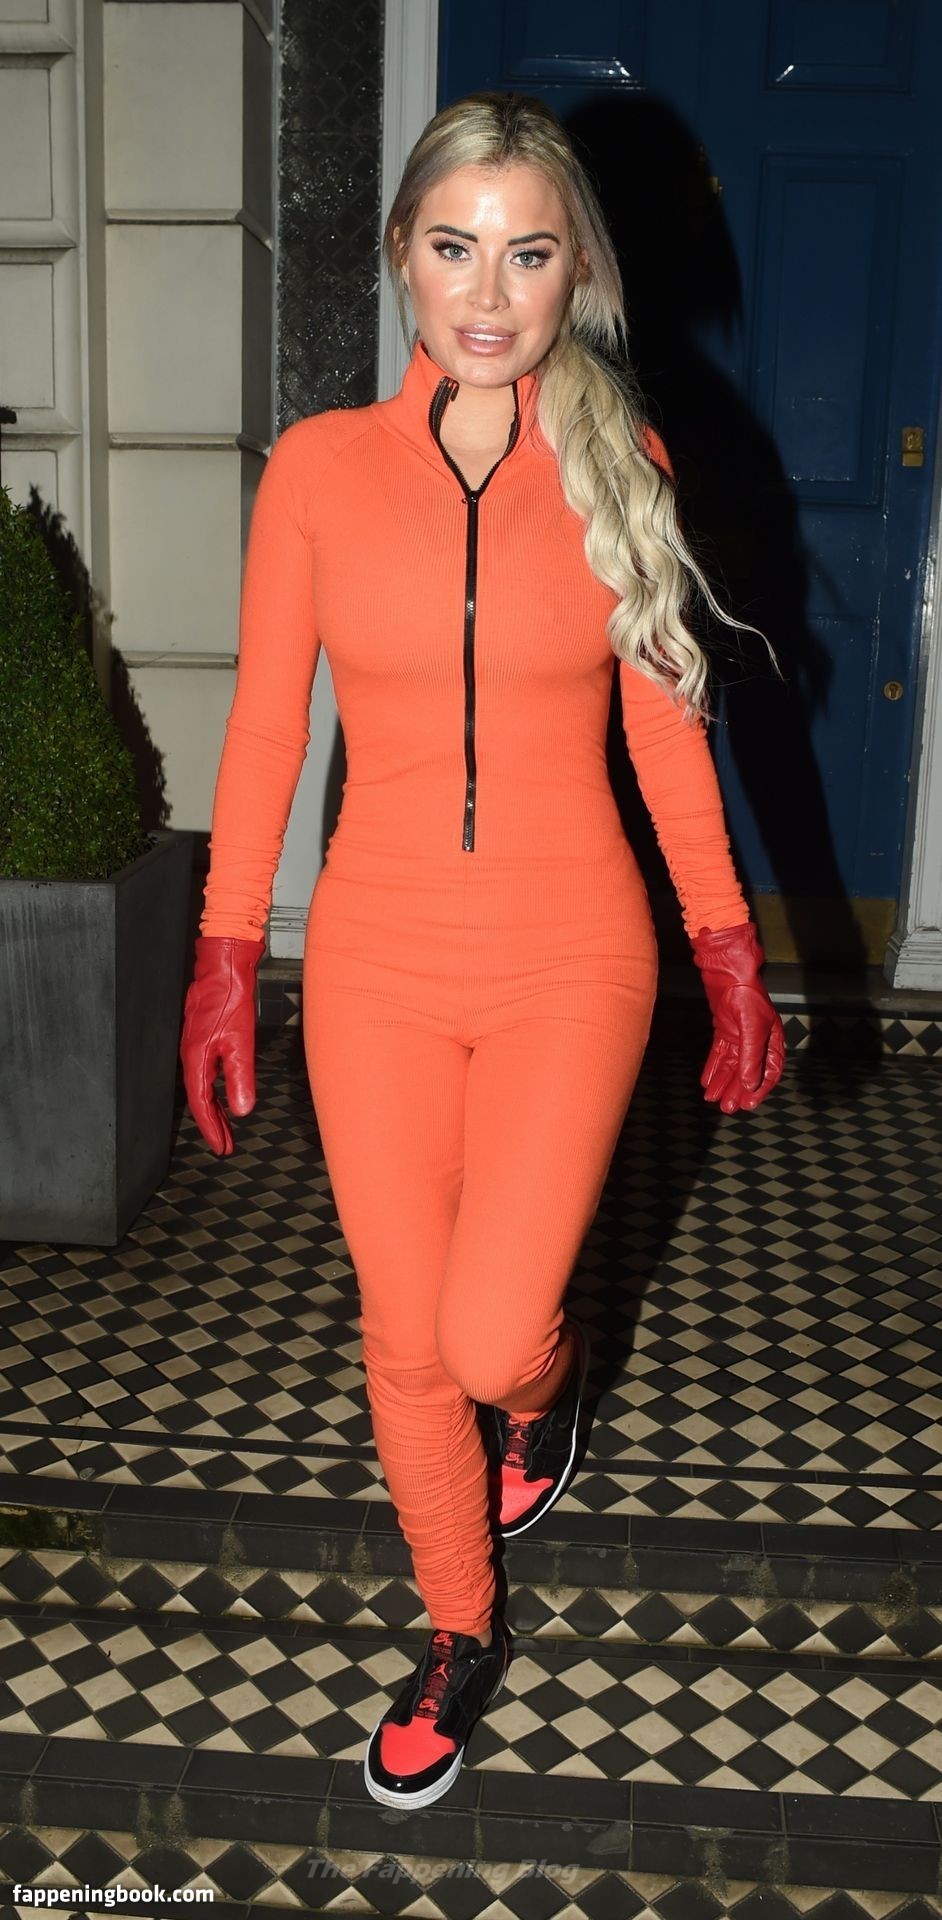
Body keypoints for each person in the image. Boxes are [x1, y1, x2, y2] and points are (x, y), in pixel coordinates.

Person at [179, 90, 786, 1812]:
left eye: (528, 254)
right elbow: (266, 728)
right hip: (371, 957)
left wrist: (724, 942)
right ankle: (456, 1624)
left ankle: (546, 1384)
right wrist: (225, 949)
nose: (489, 293)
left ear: (574, 269)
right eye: (455, 248)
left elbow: (663, 727)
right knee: (401, 1333)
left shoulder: (617, 458)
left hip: (569, 956)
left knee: (490, 1328)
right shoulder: (317, 471)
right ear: (401, 256)